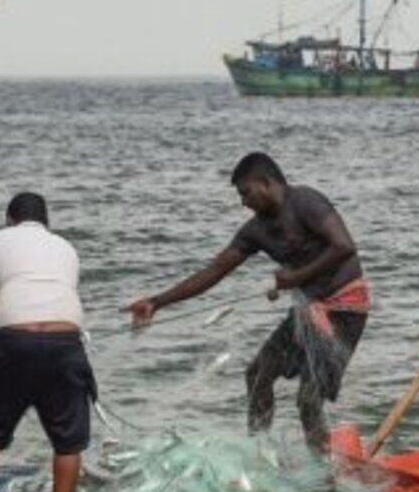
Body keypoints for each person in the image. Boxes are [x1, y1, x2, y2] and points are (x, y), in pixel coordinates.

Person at [124, 152, 370, 452]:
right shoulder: (256, 230)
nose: (243, 202)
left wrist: (295, 278)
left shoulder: (305, 201)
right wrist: (156, 302)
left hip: (344, 309)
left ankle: (325, 478)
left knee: (308, 399)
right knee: (257, 374)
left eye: (245, 192)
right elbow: (214, 272)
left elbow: (344, 246)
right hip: (309, 311)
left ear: (266, 183)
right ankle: (259, 454)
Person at [0, 192, 96, 492]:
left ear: (10, 220)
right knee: (67, 446)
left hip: (12, 345)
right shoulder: (66, 248)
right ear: (46, 222)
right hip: (65, 343)